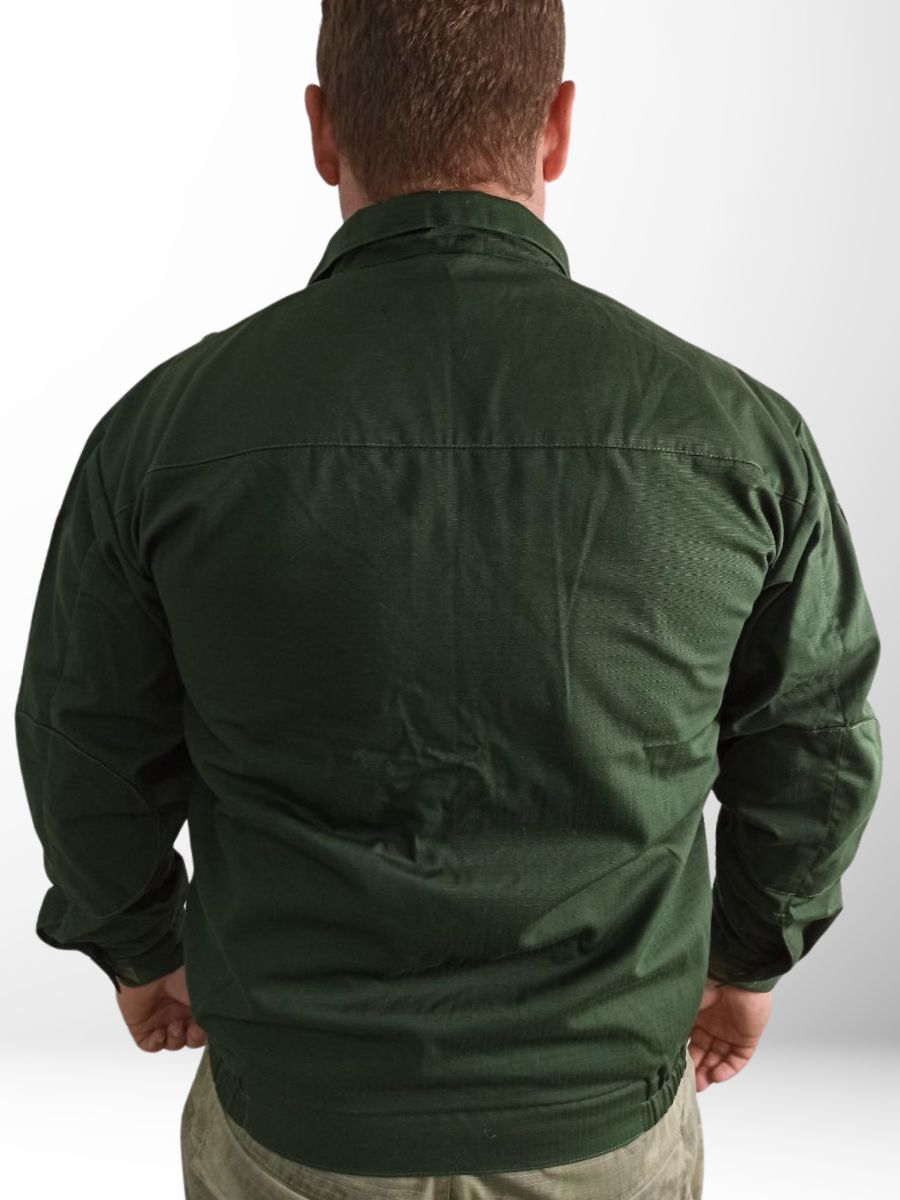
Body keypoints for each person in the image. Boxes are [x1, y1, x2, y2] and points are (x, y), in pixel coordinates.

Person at [14, 2, 882, 1198]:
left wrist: (139, 946)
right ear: (558, 125)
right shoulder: (738, 438)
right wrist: (747, 961)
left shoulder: (165, 434)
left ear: (323, 131)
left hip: (297, 1122)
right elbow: (816, 746)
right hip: (599, 1117)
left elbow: (85, 743)